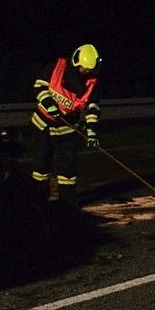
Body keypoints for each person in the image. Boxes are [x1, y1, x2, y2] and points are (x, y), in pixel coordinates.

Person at [29, 44, 102, 210]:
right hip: (43, 126)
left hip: (68, 130)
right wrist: (50, 106)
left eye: (89, 70)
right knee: (41, 167)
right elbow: (39, 87)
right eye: (83, 68)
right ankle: (38, 202)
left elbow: (93, 107)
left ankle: (67, 203)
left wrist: (91, 130)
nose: (86, 72)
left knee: (68, 169)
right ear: (76, 62)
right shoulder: (57, 66)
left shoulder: (91, 83)